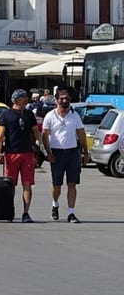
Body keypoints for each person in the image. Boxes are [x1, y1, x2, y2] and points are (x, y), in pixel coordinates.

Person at [0, 88, 43, 223]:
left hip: (27, 153)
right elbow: (0, 136)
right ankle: (8, 210)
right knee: (10, 185)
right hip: (11, 154)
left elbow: (36, 132)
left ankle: (26, 213)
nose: (26, 100)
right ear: (17, 100)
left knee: (27, 184)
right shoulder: (6, 114)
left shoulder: (29, 114)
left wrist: (39, 148)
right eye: (24, 98)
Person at [41, 88, 88, 223]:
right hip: (57, 153)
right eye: (62, 99)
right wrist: (47, 153)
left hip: (73, 153)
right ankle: (55, 204)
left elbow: (81, 134)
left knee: (72, 184)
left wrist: (85, 152)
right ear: (56, 100)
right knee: (57, 185)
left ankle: (71, 213)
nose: (65, 101)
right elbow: (45, 136)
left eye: (67, 98)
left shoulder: (75, 116)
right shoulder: (50, 116)